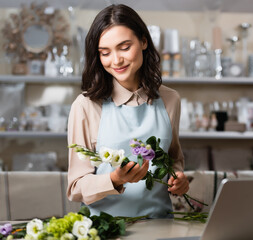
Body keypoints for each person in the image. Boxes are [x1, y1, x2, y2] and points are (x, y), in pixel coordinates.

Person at [67, 4, 189, 218]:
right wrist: (114, 179)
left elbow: (173, 158)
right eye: (105, 53)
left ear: (143, 41)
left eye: (124, 47)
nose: (116, 60)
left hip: (160, 226)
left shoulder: (171, 99)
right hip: (105, 229)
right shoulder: (85, 106)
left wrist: (178, 178)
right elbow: (75, 188)